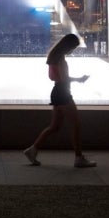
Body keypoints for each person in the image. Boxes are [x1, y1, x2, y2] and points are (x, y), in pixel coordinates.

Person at [23, 33, 96, 168]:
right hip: (63, 93)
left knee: (55, 127)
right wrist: (79, 79)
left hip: (57, 92)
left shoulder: (53, 57)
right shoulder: (60, 59)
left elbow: (53, 78)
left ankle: (32, 150)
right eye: (73, 47)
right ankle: (79, 158)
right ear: (68, 46)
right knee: (76, 124)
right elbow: (64, 79)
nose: (72, 50)